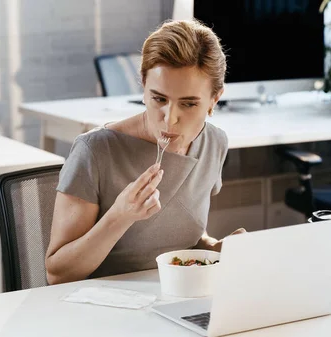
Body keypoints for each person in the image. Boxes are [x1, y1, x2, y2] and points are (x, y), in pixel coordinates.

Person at [45, 19, 244, 285]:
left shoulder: (214, 143)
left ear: (215, 99)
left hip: (175, 297)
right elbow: (58, 273)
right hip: (102, 307)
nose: (169, 119)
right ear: (143, 86)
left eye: (188, 104)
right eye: (159, 99)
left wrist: (218, 249)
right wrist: (120, 216)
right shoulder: (95, 151)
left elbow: (188, 237)